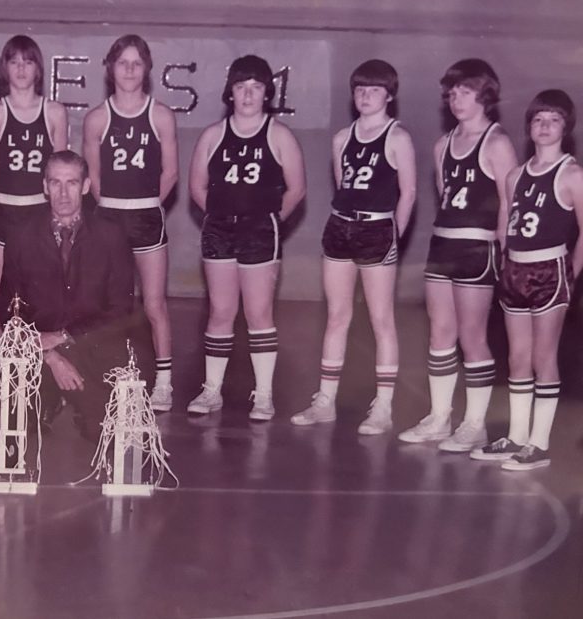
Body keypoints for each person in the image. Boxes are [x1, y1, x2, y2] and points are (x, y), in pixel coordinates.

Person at [398, 59, 517, 451]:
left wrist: (504, 250)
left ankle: (475, 423)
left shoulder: (497, 143)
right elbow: (445, 195)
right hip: (442, 244)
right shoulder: (442, 145)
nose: (456, 99)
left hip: (477, 246)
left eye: (465, 92)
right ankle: (439, 416)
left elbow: (509, 202)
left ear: (484, 95)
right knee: (440, 333)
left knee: (472, 335)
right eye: (452, 92)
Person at [291, 60, 415, 433]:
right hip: (340, 227)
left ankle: (384, 407)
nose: (365, 95)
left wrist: (395, 235)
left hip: (378, 229)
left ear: (389, 95)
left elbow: (408, 192)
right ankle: (325, 400)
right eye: (360, 89)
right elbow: (341, 185)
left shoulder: (398, 138)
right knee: (337, 316)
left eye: (374, 89)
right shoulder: (341, 138)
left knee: (381, 319)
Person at [187, 55, 306, 417]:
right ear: (231, 93)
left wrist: (268, 219)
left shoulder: (279, 135)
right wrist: (223, 215)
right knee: (221, 311)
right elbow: (196, 187)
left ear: (267, 93)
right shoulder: (212, 135)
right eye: (241, 88)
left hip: (260, 230)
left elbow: (297, 189)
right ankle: (212, 391)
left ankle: (264, 393)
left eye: (256, 88)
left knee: (258, 313)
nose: (249, 95)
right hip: (220, 229)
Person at [471, 90, 583, 470]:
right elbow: (507, 224)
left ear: (566, 128)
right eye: (537, 120)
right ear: (529, 127)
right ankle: (517, 436)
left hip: (550, 271)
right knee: (517, 358)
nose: (544, 126)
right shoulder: (515, 175)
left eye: (553, 120)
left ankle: (539, 443)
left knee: (542, 356)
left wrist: (571, 274)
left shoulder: (572, 175)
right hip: (515, 270)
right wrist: (504, 263)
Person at [0, 150, 135, 439]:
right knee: (17, 428)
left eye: (71, 183)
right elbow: (8, 311)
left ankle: (83, 408)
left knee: (104, 432)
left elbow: (121, 309)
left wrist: (64, 338)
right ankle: (48, 399)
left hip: (91, 347)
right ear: (45, 187)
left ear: (85, 186)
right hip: (39, 350)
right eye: (55, 183)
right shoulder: (21, 236)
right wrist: (50, 355)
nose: (63, 193)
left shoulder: (111, 236)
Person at [83, 34, 177, 411]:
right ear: (110, 68)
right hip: (109, 215)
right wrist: (109, 209)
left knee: (154, 304)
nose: (130, 70)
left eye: (137, 63)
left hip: (147, 215)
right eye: (123, 63)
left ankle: (165, 385)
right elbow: (93, 175)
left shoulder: (160, 115)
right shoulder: (97, 118)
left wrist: (149, 204)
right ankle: (111, 378)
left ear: (147, 69)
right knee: (112, 305)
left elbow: (170, 173)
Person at [0, 36, 69, 406]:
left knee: (49, 301)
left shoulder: (55, 112)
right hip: (6, 213)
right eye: (13, 61)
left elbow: (61, 171)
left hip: (42, 214)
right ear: (4, 68)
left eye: (27, 61)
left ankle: (52, 384)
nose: (20, 68)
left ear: (38, 68)